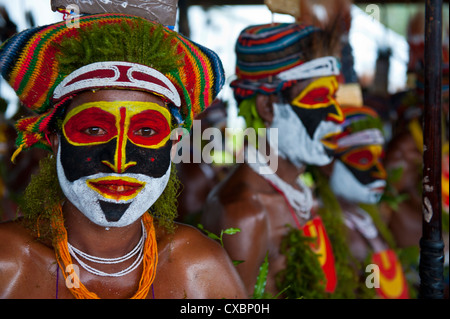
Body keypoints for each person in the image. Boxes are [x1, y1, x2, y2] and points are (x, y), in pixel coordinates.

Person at [0, 13, 247, 299]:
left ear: (173, 144)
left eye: (145, 132)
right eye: (93, 129)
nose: (119, 160)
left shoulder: (198, 267)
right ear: (55, 142)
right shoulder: (9, 263)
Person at [201, 22, 349, 298]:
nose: (338, 116)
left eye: (334, 98)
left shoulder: (300, 193)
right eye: (318, 98)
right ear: (268, 107)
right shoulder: (244, 213)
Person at [318, 105, 410, 299]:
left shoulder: (365, 217)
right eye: (363, 160)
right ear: (328, 166)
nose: (380, 173)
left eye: (379, 160)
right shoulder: (326, 227)